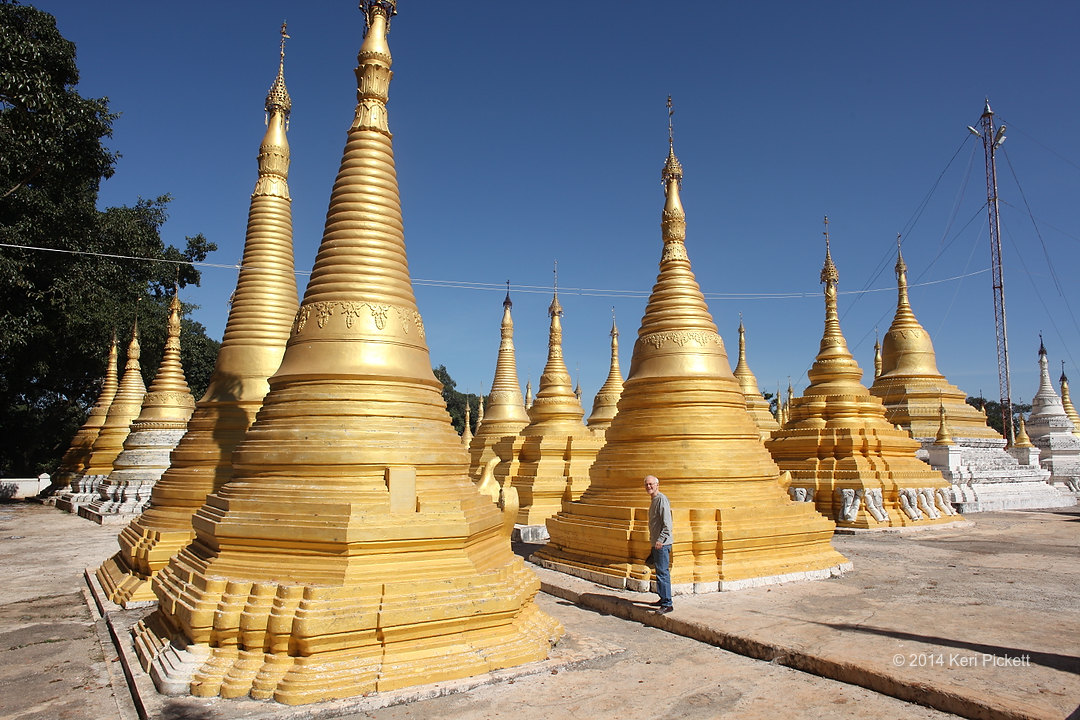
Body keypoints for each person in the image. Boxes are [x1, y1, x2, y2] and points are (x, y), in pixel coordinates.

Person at [644, 474, 673, 613]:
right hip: (656, 543)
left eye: (651, 484)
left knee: (663, 572)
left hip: (662, 543)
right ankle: (663, 598)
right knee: (659, 572)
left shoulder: (661, 499)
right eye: (647, 485)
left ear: (657, 485)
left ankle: (667, 603)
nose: (649, 486)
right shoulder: (654, 500)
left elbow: (667, 524)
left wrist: (661, 540)